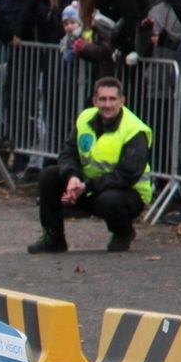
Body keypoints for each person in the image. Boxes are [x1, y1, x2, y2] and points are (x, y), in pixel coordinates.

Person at [27, 76, 152, 253]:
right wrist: (72, 177)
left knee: (109, 200)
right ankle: (53, 238)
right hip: (88, 186)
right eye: (102, 99)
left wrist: (87, 186)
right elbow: (68, 153)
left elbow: (126, 176)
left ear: (122, 101)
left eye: (112, 99)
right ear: (94, 101)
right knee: (49, 175)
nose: (107, 104)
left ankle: (123, 233)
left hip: (127, 193)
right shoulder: (85, 118)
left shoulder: (134, 130)